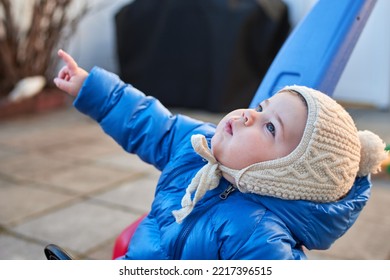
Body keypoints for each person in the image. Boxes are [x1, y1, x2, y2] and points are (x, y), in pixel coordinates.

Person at [54, 49, 387, 260]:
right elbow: (148, 122)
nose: (248, 115)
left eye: (270, 128)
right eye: (260, 108)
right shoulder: (200, 143)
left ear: (283, 175)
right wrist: (92, 88)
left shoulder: (260, 237)